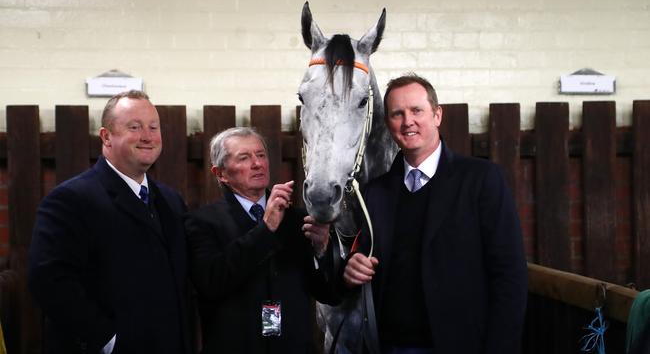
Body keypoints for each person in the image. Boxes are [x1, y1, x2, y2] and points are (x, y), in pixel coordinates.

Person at [342, 74, 528, 354]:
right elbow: (363, 259)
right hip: (392, 346)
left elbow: (510, 275)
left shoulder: (481, 180)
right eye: (397, 114)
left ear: (437, 115)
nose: (408, 121)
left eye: (417, 110)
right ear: (388, 124)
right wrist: (352, 266)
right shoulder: (375, 193)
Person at [29, 90, 192, 354]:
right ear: (106, 136)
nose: (147, 136)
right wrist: (108, 340)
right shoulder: (70, 200)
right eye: (134, 127)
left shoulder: (172, 201)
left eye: (153, 127)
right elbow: (48, 280)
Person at [185, 127, 339, 354]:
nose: (257, 164)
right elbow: (212, 282)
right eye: (244, 158)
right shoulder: (203, 222)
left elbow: (329, 294)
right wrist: (265, 230)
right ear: (220, 174)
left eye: (261, 155)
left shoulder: (298, 219)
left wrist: (322, 250)